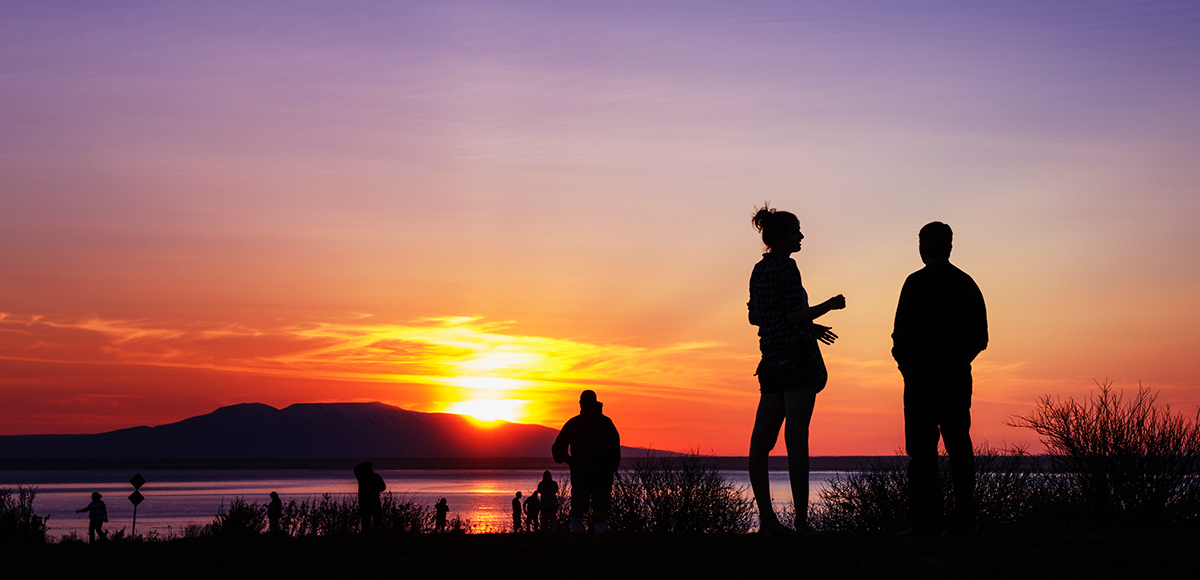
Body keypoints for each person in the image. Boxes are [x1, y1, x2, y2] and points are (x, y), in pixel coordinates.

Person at [747, 204, 845, 535]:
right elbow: (793, 315)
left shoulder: (759, 271)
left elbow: (757, 317)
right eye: (796, 231)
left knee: (761, 443)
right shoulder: (788, 268)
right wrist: (828, 306)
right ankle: (802, 523)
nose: (801, 236)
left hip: (770, 360)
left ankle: (767, 521)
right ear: (780, 236)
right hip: (796, 362)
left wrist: (807, 326)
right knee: (796, 440)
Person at [892, 221, 988, 535]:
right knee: (959, 447)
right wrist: (958, 361)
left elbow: (900, 336)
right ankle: (964, 519)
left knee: (922, 453)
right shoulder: (966, 284)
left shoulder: (914, 283)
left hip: (921, 381)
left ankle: (925, 521)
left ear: (923, 247)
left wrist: (908, 367)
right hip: (954, 379)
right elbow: (980, 338)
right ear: (949, 246)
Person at [552, 390, 621, 533]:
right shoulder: (605, 423)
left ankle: (577, 535)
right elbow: (615, 446)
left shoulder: (575, 423)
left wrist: (568, 460)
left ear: (581, 403)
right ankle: (598, 535)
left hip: (583, 473)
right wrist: (613, 464)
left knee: (580, 507)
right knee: (598, 508)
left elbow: (559, 447)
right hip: (601, 473)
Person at [353, 461, 386, 535]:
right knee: (370, 522)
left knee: (368, 522)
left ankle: (369, 537)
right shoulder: (368, 477)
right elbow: (383, 487)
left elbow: (383, 487)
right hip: (371, 501)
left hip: (367, 502)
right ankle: (372, 537)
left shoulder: (362, 477)